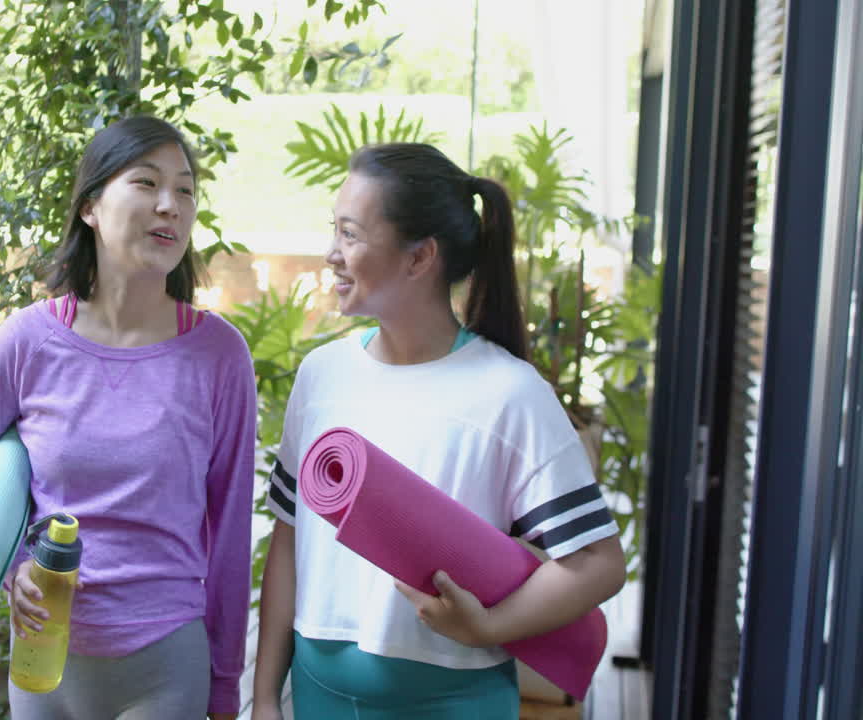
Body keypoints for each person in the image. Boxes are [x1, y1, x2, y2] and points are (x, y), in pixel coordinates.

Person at [251, 143, 627, 719]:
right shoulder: (322, 375)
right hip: (316, 697)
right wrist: (264, 699)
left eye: (350, 235)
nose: (331, 254)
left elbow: (598, 563)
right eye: (335, 230)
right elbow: (289, 538)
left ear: (419, 257)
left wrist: (491, 627)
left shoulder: (510, 393)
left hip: (450, 703)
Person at [0, 116, 256, 720]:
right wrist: (13, 569)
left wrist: (225, 682)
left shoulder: (219, 355)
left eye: (185, 190)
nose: (170, 206)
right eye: (147, 183)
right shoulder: (28, 340)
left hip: (166, 662)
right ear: (90, 207)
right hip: (43, 661)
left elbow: (231, 530)